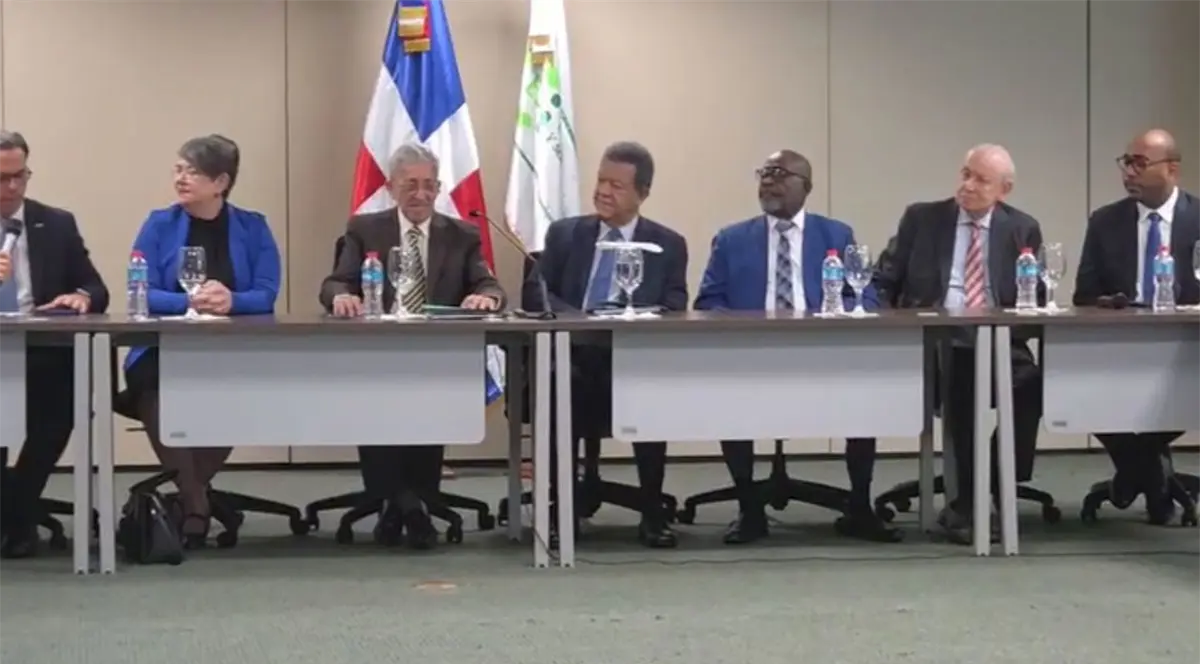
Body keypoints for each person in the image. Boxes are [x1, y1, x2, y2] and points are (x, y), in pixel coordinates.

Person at [694, 149, 897, 545]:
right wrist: (742, 330)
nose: (769, 180)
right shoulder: (731, 239)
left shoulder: (836, 235)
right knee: (729, 396)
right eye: (764, 173)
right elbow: (708, 303)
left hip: (824, 353)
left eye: (780, 173)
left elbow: (864, 296)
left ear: (806, 186)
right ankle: (749, 508)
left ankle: (859, 506)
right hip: (752, 356)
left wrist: (835, 321)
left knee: (865, 394)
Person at [320, 142, 505, 550]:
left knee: (427, 392)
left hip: (438, 358)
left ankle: (403, 504)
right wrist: (341, 296)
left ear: (439, 187)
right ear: (390, 187)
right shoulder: (365, 229)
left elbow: (489, 284)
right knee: (377, 393)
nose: (421, 194)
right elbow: (335, 282)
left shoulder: (461, 234)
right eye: (410, 185)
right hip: (376, 355)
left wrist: (486, 298)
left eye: (429, 185)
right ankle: (410, 504)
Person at [874, 143, 1044, 545]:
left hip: (1000, 338)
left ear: (1004, 189)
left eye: (981, 180)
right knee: (965, 378)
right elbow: (884, 279)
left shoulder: (1022, 228)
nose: (967, 185)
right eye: (965, 174)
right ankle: (968, 502)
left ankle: (995, 482)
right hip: (937, 339)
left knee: (1034, 384)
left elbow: (1032, 296)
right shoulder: (923, 219)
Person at [119, 134, 281, 549]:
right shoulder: (159, 224)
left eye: (192, 172)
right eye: (178, 169)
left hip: (229, 347)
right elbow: (140, 292)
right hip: (164, 347)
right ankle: (195, 502)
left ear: (220, 182)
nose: (181, 178)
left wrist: (232, 300)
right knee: (152, 383)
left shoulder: (253, 227)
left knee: (236, 388)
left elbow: (266, 293)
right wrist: (186, 301)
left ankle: (191, 497)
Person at [524, 141, 688, 548]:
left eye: (616, 185)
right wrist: (579, 320)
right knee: (560, 384)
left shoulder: (667, 244)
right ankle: (561, 508)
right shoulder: (565, 234)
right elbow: (535, 293)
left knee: (649, 388)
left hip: (631, 359)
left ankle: (652, 511)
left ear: (642, 193)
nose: (603, 191)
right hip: (572, 357)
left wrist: (636, 317)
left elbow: (675, 305)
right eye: (600, 181)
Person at [1073, 128, 1196, 523]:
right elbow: (1083, 296)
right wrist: (1109, 304)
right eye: (1126, 163)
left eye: (1140, 164)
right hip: (1120, 348)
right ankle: (1150, 471)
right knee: (1071, 384)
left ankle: (1135, 471)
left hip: (1187, 349)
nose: (1129, 172)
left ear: (1172, 170)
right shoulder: (1105, 222)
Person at [0, 131, 109, 558]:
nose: (12, 187)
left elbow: (95, 288)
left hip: (42, 348)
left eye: (20, 176)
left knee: (61, 407)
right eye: (2, 178)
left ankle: (17, 509)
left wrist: (80, 297)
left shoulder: (56, 223)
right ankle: (16, 515)